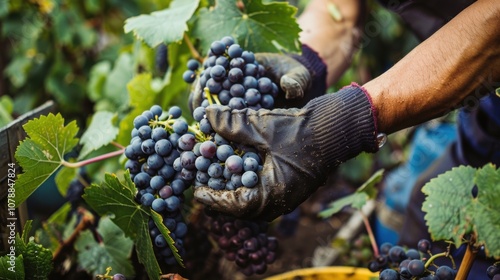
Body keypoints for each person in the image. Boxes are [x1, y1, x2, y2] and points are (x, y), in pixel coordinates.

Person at [191, 0, 499, 277]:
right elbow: (340, 8)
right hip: (487, 109)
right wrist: (307, 62)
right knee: (426, 239)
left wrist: (347, 119)